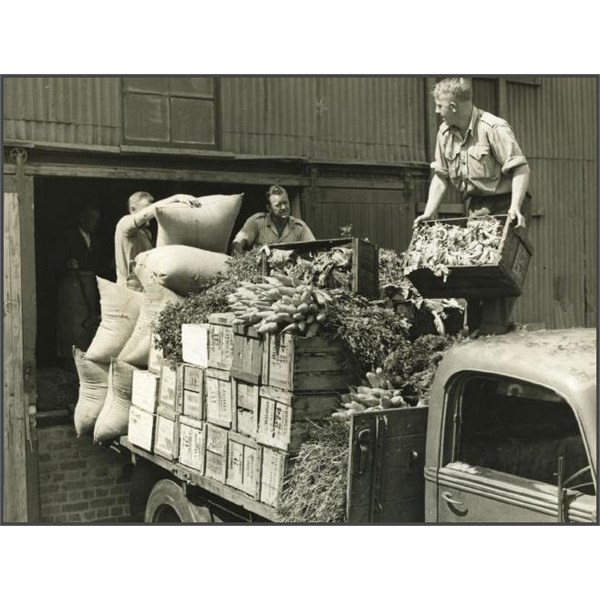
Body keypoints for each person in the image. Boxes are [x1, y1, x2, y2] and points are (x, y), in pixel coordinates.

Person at [414, 77, 532, 336]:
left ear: (453, 106)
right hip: (477, 205)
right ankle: (474, 330)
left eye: (439, 105)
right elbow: (441, 175)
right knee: (474, 269)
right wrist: (430, 211)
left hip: (505, 203)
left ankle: (493, 331)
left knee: (498, 273)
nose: (436, 111)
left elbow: (521, 169)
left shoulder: (493, 128)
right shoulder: (445, 134)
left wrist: (515, 207)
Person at [114, 191, 200, 290]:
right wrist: (176, 198)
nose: (152, 215)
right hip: (128, 289)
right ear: (132, 209)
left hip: (144, 288)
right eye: (146, 209)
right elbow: (145, 215)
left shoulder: (146, 234)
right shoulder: (124, 224)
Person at [54, 205, 103, 369]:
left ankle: (85, 362)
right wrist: (66, 264)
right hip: (72, 286)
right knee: (73, 325)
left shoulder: (96, 239)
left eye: (97, 220)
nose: (95, 223)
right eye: (92, 219)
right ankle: (69, 363)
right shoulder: (68, 236)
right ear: (82, 219)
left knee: (88, 324)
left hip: (89, 285)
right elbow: (52, 261)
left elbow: (98, 263)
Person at [231, 185, 316, 255]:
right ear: (269, 208)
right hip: (261, 270)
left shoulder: (299, 227)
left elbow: (315, 248)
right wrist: (240, 259)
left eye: (285, 203)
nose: (283, 207)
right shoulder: (257, 222)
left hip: (290, 272)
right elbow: (237, 243)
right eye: (278, 205)